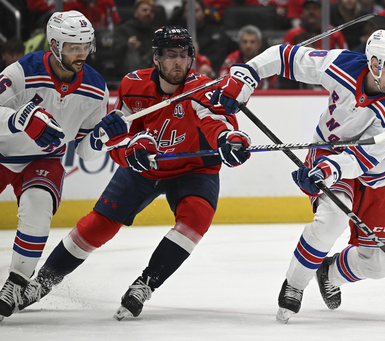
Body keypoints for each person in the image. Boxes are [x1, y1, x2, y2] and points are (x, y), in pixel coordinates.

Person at [17, 26, 251, 320]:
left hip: (195, 169)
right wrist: (130, 151)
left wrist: (228, 140)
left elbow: (216, 122)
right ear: (156, 58)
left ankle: (145, 284)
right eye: (170, 56)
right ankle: (41, 283)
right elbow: (116, 137)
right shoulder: (132, 85)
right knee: (98, 225)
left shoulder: (200, 89)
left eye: (183, 55)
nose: (178, 62)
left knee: (197, 217)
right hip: (146, 168)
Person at [209, 28, 385, 323]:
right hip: (329, 152)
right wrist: (248, 74)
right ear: (374, 63)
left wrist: (330, 171)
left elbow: (365, 157)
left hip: (372, 173)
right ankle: (294, 284)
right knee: (331, 219)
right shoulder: (342, 65)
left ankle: (330, 272)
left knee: (379, 266)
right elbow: (283, 56)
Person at [0, 10, 128, 320]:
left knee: (38, 206)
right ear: (54, 44)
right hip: (2, 152)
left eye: (86, 46)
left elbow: (84, 151)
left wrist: (101, 140)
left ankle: (15, 284)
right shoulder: (21, 72)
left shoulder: (96, 88)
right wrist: (20, 120)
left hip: (45, 159)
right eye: (74, 47)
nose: (82, 53)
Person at [169, 0, 238, 75]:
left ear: (203, 12)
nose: (192, 14)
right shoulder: (176, 35)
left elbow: (234, 50)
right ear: (183, 14)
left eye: (196, 10)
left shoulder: (216, 31)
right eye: (188, 11)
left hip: (216, 75)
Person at [111, 0, 160, 78]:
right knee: (131, 53)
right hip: (127, 72)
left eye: (152, 12)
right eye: (145, 10)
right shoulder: (123, 29)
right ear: (136, 13)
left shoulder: (157, 33)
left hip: (151, 72)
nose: (148, 13)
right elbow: (114, 50)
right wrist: (127, 44)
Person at [219, 25, 276, 90]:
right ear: (239, 43)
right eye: (245, 42)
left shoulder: (267, 61)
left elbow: (273, 86)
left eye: (252, 42)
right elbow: (222, 85)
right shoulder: (231, 60)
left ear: (259, 44)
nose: (248, 45)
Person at [283, 0, 348, 50]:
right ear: (302, 11)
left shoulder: (334, 33)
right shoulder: (292, 34)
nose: (311, 12)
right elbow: (284, 56)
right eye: (308, 8)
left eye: (315, 8)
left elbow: (345, 56)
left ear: (321, 11)